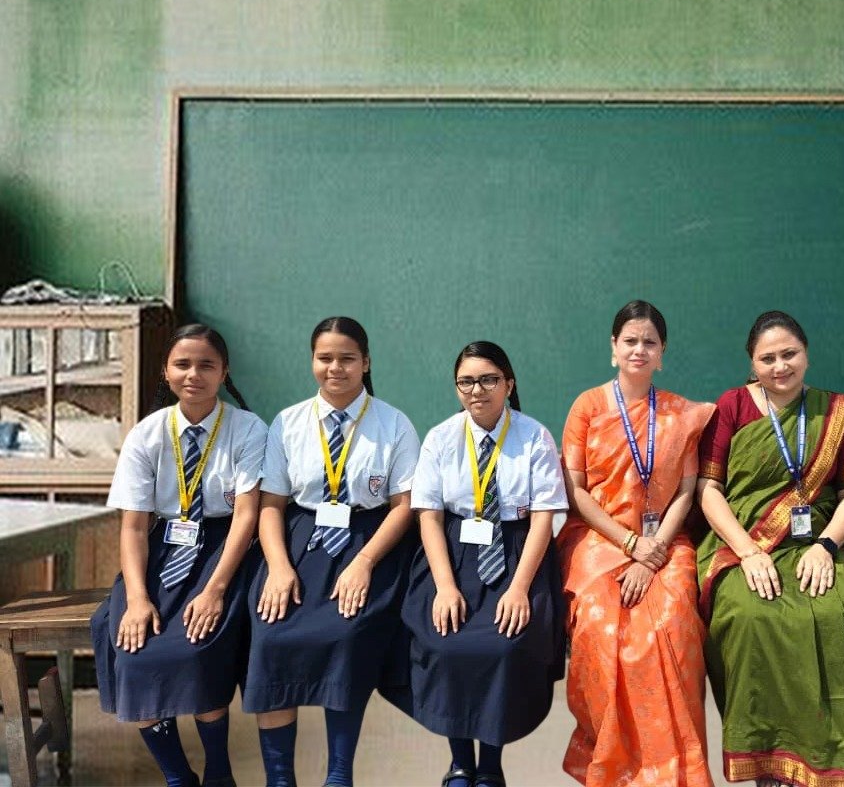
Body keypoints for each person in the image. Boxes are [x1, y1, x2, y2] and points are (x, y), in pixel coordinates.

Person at [697, 310, 844, 787]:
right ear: (752, 364)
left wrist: (827, 545)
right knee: (748, 614)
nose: (780, 366)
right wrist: (748, 552)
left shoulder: (833, 412)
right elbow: (709, 489)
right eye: (768, 358)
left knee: (828, 609)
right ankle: (767, 763)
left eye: (789, 354)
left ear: (806, 355)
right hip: (742, 542)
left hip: (815, 543)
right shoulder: (732, 406)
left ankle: (821, 762)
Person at [243, 316, 418, 787]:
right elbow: (271, 504)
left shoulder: (393, 423)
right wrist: (278, 567)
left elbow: (404, 505)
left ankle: (339, 775)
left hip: (368, 541)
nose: (335, 368)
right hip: (300, 541)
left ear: (366, 363)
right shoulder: (288, 422)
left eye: (347, 358)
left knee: (347, 634)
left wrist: (364, 563)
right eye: (325, 358)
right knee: (272, 636)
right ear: (312, 362)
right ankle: (280, 778)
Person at [91, 323, 265, 787]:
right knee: (133, 652)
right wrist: (136, 598)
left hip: (224, 550)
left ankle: (219, 772)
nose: (194, 374)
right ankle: (177, 776)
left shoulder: (249, 430)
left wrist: (215, 590)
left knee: (199, 647)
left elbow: (247, 516)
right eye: (182, 364)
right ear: (165, 373)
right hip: (162, 549)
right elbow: (133, 526)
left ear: (224, 372)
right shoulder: (146, 434)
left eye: (206, 365)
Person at [558, 300, 717, 787]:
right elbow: (575, 491)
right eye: (630, 341)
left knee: (675, 620)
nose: (639, 350)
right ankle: (613, 768)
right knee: (600, 626)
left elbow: (687, 491)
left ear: (662, 352)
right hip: (599, 538)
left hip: (664, 542)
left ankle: (676, 772)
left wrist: (652, 555)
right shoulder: (588, 407)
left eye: (650, 342)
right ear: (613, 348)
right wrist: (629, 541)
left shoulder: (679, 414)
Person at [402, 341, 568, 787]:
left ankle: (491, 764)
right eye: (467, 382)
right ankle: (460, 763)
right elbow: (429, 516)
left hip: (516, 552)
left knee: (504, 647)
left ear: (508, 384)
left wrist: (519, 588)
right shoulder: (441, 438)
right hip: (455, 553)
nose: (477, 390)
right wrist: (444, 586)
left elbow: (543, 517)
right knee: (446, 643)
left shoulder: (534, 436)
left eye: (489, 379)